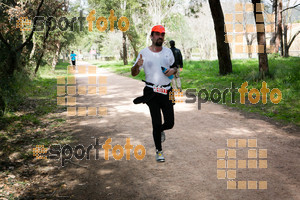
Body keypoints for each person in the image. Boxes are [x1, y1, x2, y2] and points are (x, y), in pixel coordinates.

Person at [131, 25, 177, 162]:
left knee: (170, 123)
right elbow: (133, 73)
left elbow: (175, 66)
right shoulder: (143, 53)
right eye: (157, 34)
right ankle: (159, 151)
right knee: (156, 122)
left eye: (162, 34)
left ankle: (161, 130)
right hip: (151, 91)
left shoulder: (168, 52)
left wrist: (174, 70)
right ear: (151, 36)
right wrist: (137, 65)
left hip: (167, 90)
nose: (160, 37)